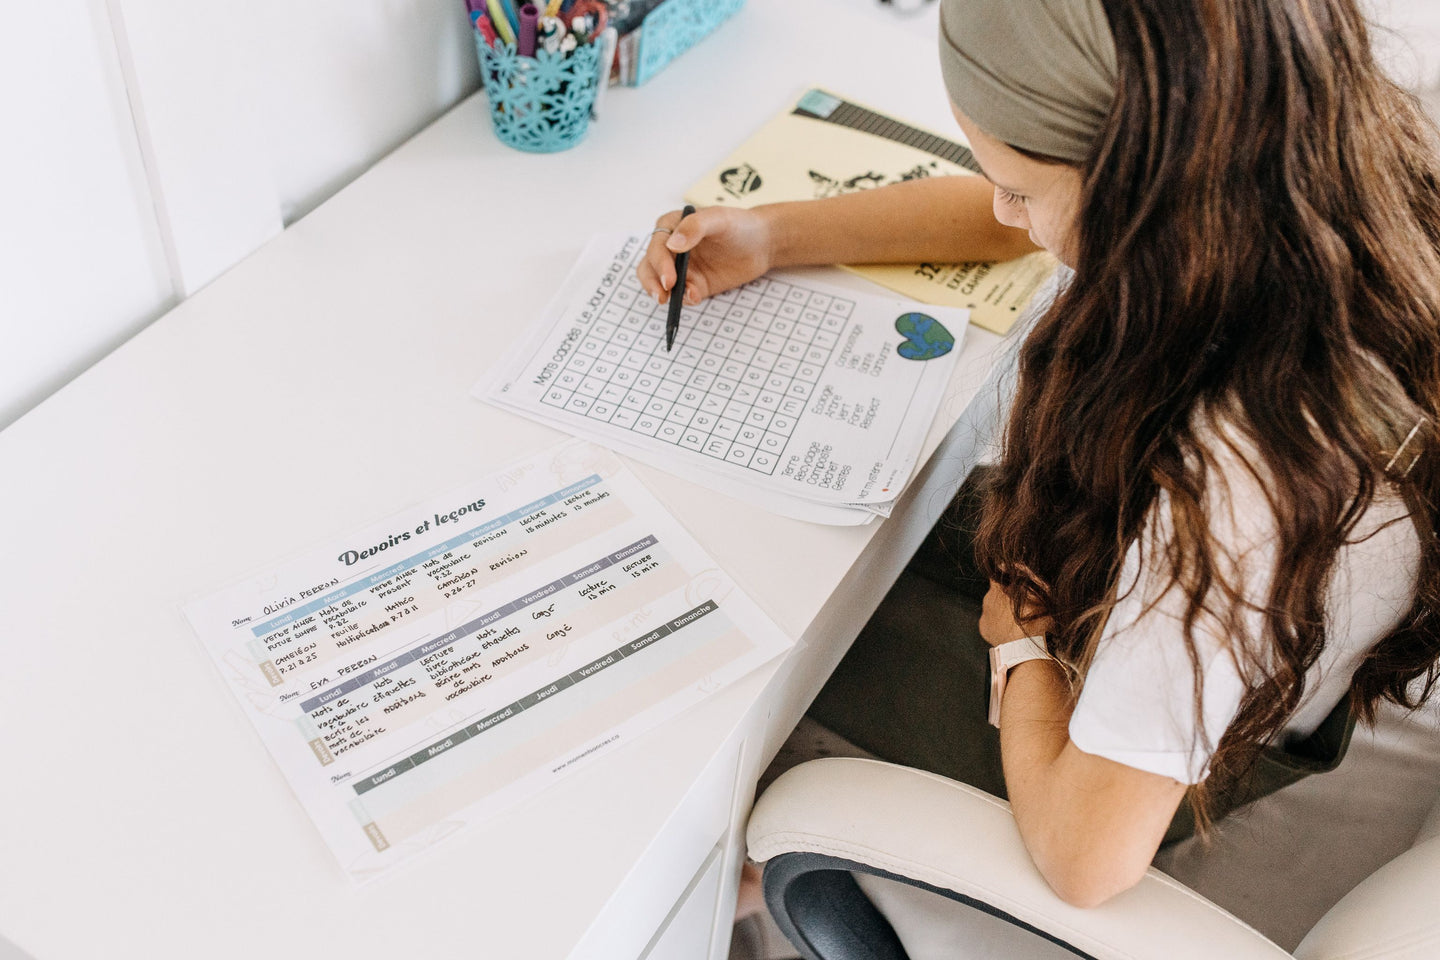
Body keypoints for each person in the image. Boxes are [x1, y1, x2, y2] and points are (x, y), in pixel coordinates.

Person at [639, 0, 1440, 909]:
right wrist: (779, 234)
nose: (1002, 212)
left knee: (740, 682)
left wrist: (1018, 641)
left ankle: (733, 887)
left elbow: (1085, 858)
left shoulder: (1231, 490)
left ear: (1142, 184)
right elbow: (1028, 200)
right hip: (1150, 626)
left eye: (1019, 189)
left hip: (1113, 741)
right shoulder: (1311, 158)